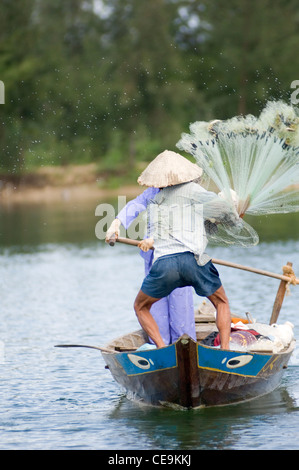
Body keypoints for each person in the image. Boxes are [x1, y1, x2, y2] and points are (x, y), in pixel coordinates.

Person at [133, 150, 241, 350]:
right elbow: (222, 209)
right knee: (222, 303)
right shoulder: (193, 190)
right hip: (194, 262)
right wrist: (234, 211)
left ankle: (160, 348)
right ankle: (225, 350)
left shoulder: (157, 200)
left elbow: (160, 233)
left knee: (140, 307)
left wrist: (150, 240)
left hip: (164, 265)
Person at [105, 186, 196, 345]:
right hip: (155, 261)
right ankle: (160, 348)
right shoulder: (153, 191)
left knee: (181, 311)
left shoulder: (185, 193)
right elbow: (135, 205)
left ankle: (184, 348)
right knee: (156, 308)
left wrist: (154, 239)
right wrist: (116, 223)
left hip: (179, 259)